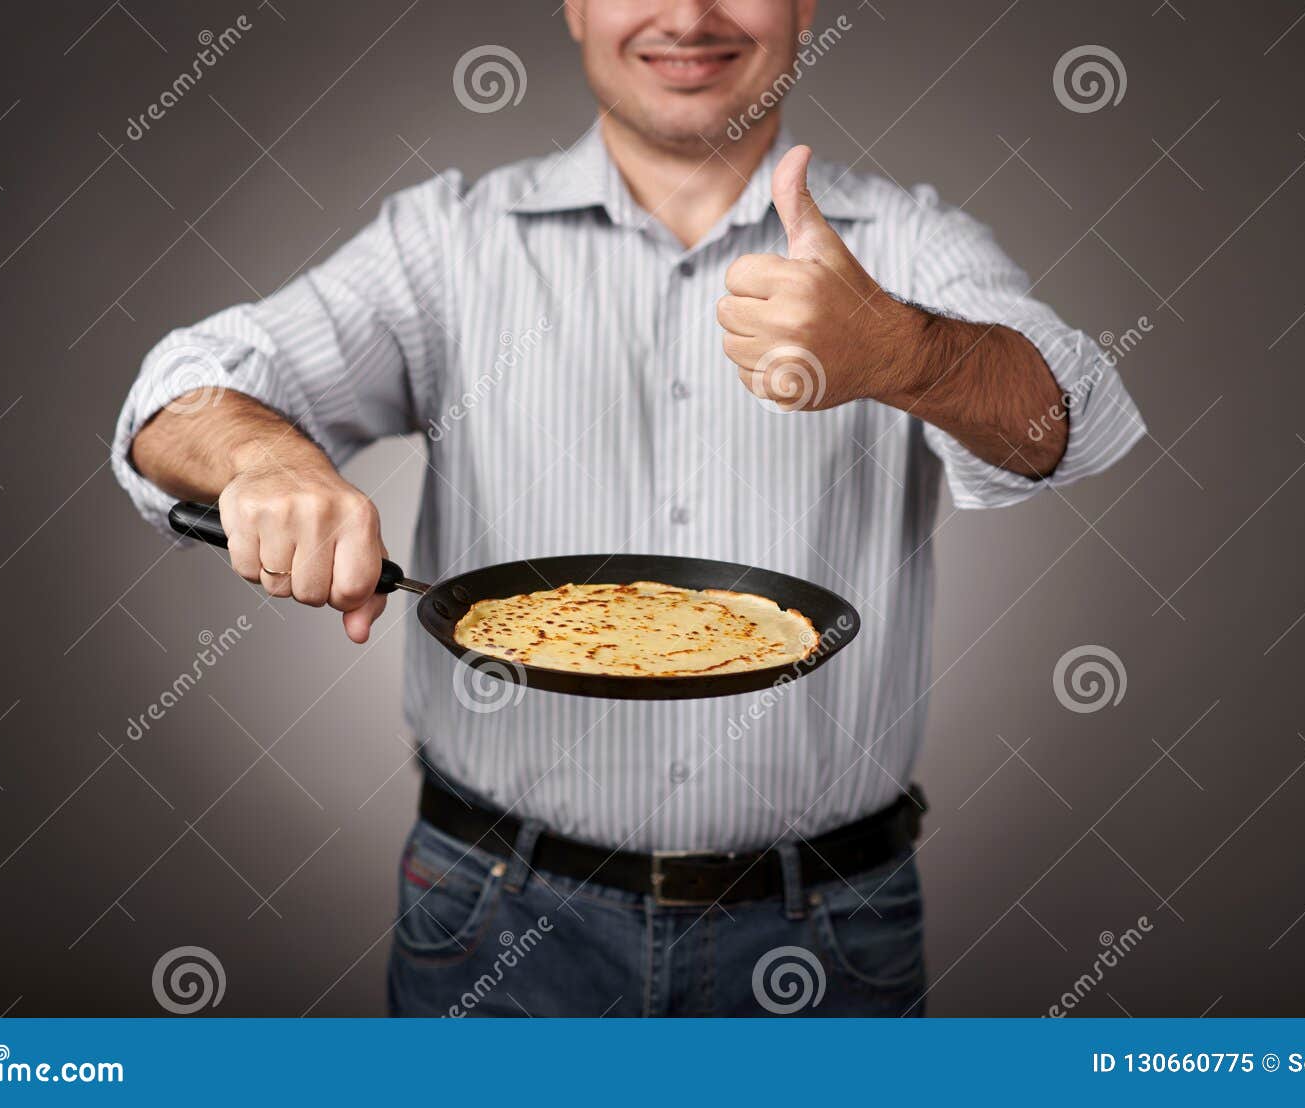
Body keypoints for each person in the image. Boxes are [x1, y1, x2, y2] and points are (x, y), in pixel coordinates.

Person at [111, 0, 1143, 1016]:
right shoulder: (450, 240)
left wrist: (905, 353)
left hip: (827, 934)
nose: (687, 16)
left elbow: (1074, 417)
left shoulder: (906, 246)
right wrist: (265, 455)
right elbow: (177, 391)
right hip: (492, 921)